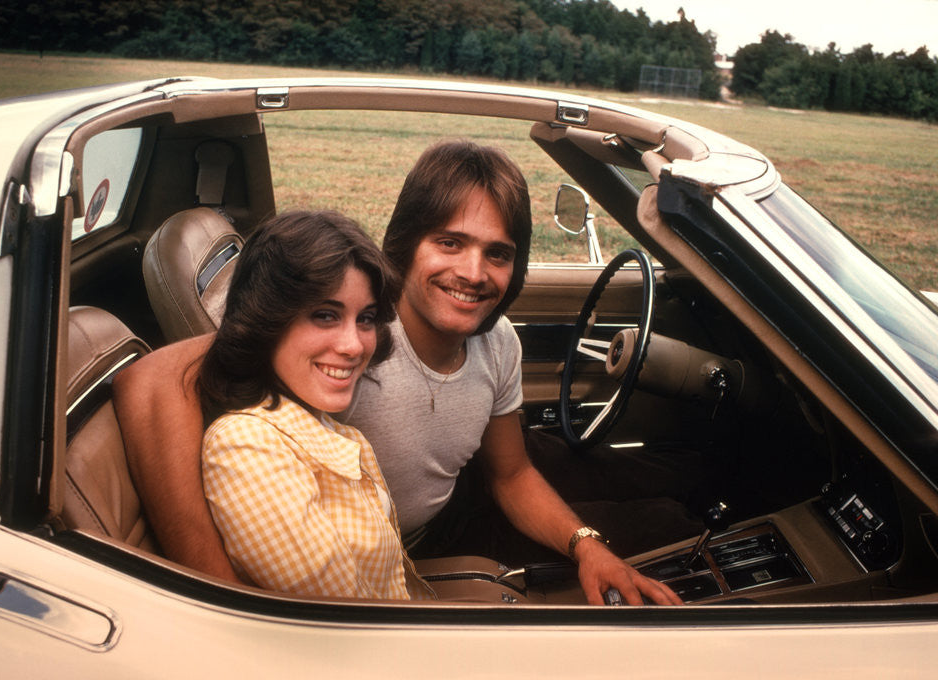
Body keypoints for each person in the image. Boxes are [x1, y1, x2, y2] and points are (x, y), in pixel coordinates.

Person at [114, 141, 685, 606]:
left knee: (666, 475)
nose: (473, 273)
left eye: (498, 254)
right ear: (406, 245)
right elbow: (149, 379)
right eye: (450, 243)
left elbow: (510, 474)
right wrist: (221, 595)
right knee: (665, 524)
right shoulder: (354, 332)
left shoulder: (499, 342)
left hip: (465, 484)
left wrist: (586, 545)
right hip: (419, 540)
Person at [196, 209, 431, 600]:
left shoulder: (317, 422)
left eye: (366, 318)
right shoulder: (245, 446)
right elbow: (346, 619)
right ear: (267, 320)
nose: (353, 346)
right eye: (325, 315)